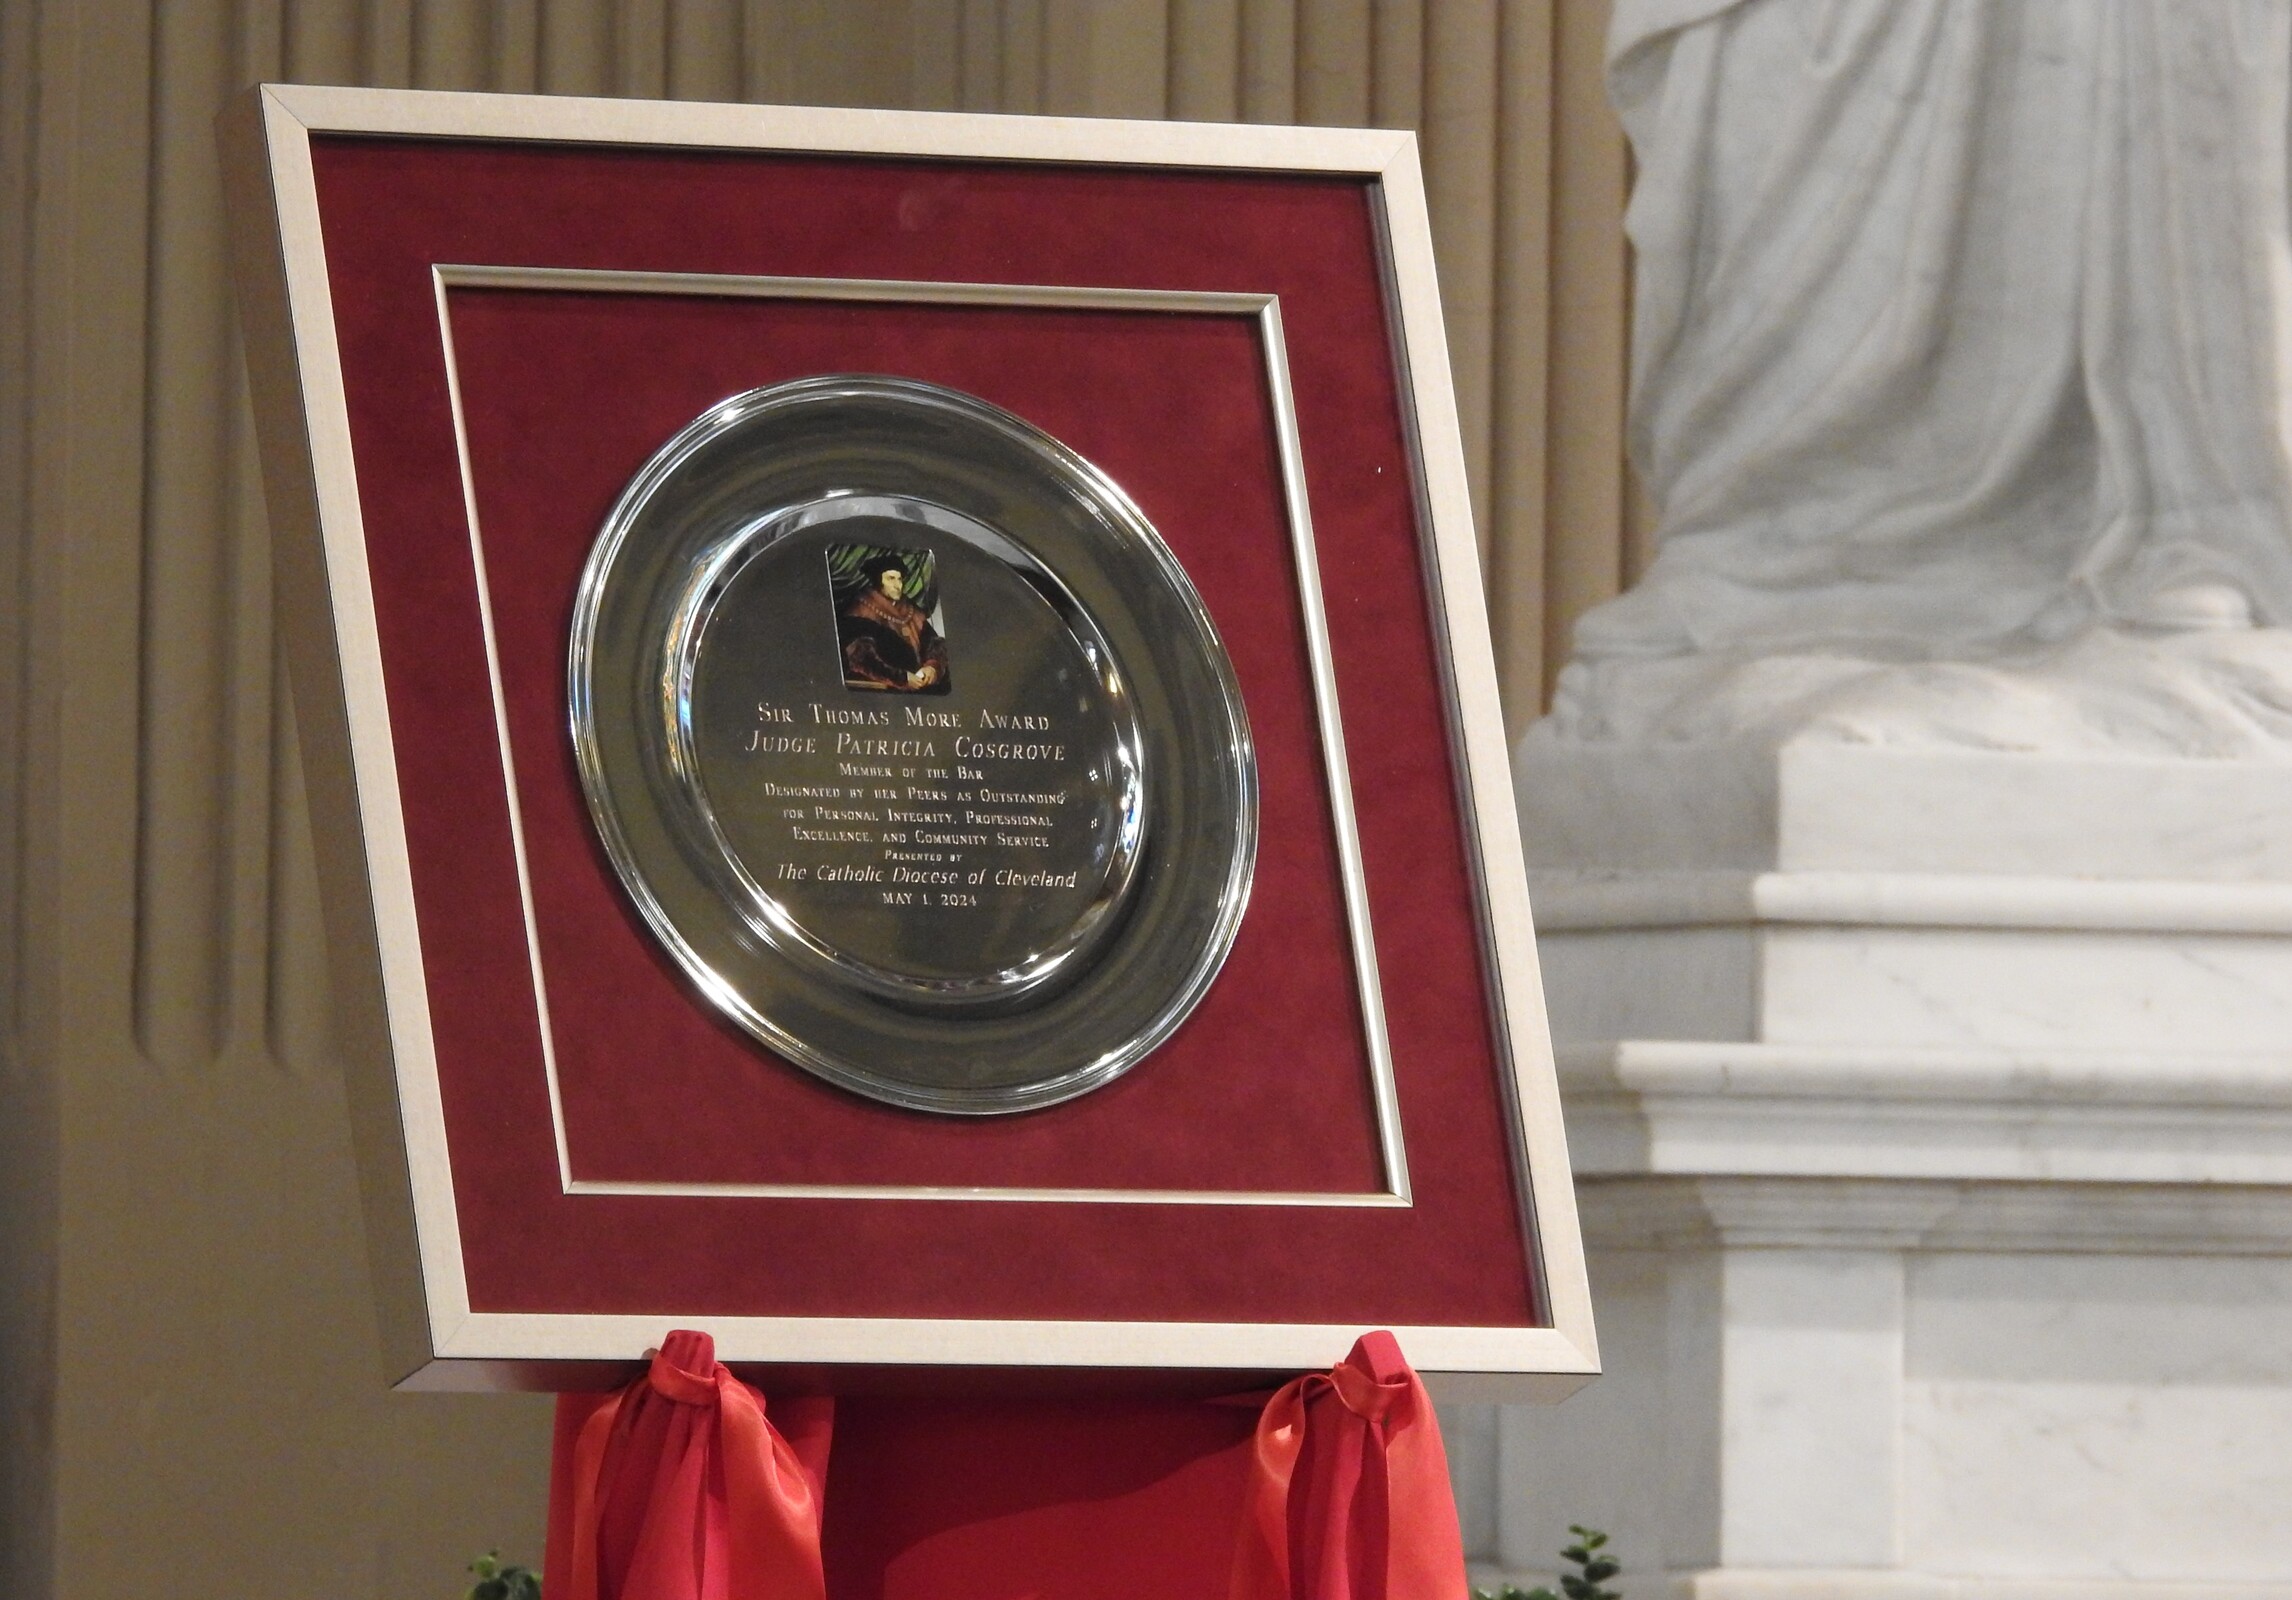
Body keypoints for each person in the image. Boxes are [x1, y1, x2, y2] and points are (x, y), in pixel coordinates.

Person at [838, 554, 949, 693]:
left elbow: (934, 643)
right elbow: (860, 658)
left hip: (920, 690)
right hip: (880, 692)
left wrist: (933, 667)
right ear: (878, 581)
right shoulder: (860, 610)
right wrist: (902, 678)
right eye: (891, 579)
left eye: (899, 579)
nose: (898, 585)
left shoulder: (911, 610)